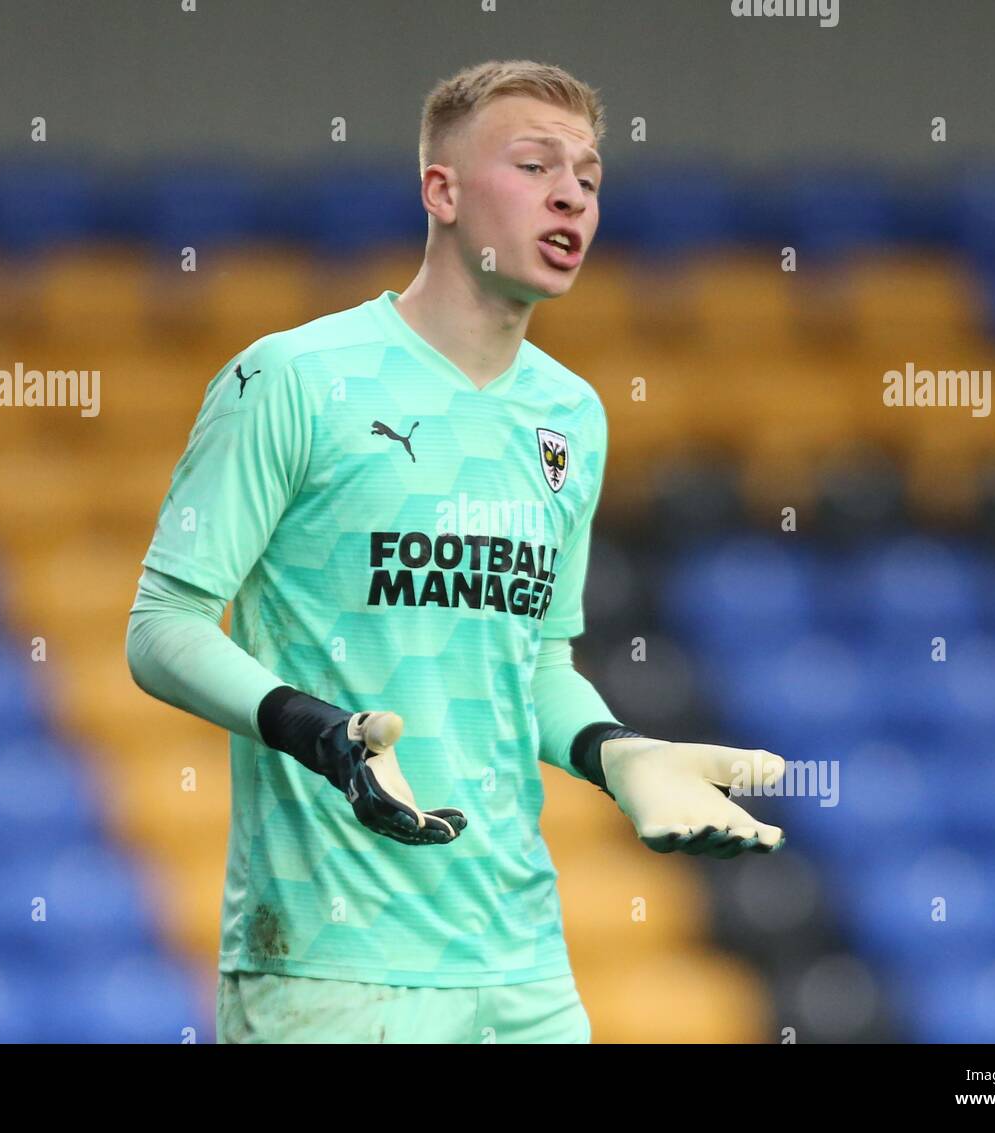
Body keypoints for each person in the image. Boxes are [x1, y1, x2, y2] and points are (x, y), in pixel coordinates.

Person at [126, 58, 786, 1045]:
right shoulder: (295, 377)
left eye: (590, 177)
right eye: (533, 165)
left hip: (523, 969)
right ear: (440, 190)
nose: (570, 192)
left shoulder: (572, 415)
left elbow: (538, 664)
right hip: (332, 970)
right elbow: (160, 628)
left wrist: (618, 752)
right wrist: (323, 731)